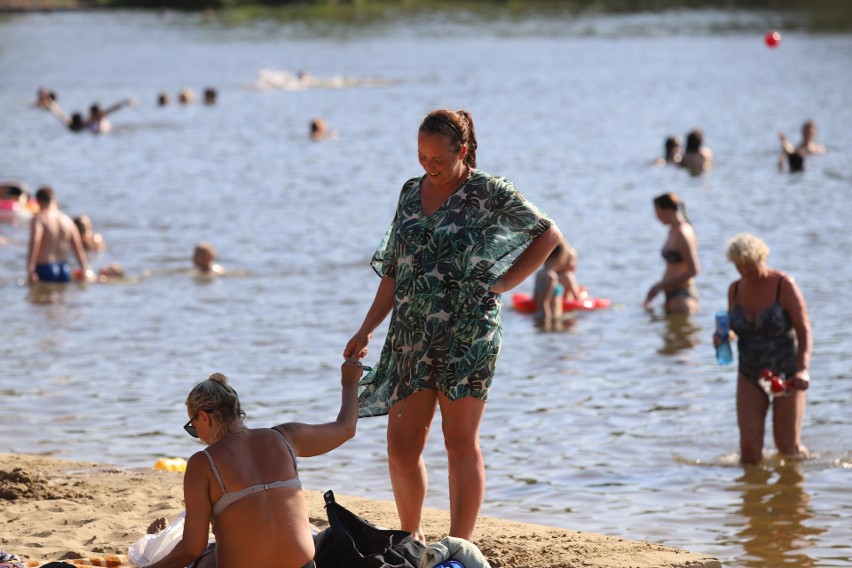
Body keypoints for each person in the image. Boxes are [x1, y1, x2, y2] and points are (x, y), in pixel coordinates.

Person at [344, 108, 562, 541]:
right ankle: (411, 539)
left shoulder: (489, 191)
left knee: (459, 441)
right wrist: (367, 326)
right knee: (402, 446)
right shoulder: (410, 192)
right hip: (411, 332)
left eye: (437, 158)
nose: (428, 165)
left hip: (469, 332)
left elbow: (548, 234)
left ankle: (459, 546)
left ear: (462, 151)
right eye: (421, 156)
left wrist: (503, 283)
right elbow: (394, 270)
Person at [140, 361, 363, 568]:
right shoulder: (285, 437)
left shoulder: (203, 463)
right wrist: (350, 382)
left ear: (204, 417)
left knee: (200, 557)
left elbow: (191, 548)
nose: (197, 436)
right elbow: (346, 428)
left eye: (193, 427)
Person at [716, 233, 812, 465]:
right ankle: (751, 497)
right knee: (749, 449)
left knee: (787, 446)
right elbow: (736, 328)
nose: (745, 271)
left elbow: (804, 330)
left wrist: (802, 370)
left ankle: (795, 493)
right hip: (750, 372)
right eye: (739, 267)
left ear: (762, 257)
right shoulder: (735, 290)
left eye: (750, 264)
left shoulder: (783, 285)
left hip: (786, 373)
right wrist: (725, 337)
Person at [644, 192, 699, 314]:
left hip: (682, 296)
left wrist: (660, 286)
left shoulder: (683, 233)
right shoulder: (672, 230)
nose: (656, 216)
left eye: (657, 212)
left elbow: (693, 270)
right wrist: (662, 286)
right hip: (670, 293)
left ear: (667, 210)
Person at [27, 186, 91, 283]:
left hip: (45, 267)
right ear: (55, 201)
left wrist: (30, 268)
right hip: (64, 268)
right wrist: (84, 268)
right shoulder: (67, 220)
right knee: (62, 297)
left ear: (38, 202)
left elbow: (35, 241)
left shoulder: (39, 219)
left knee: (40, 297)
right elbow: (77, 247)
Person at [532, 240, 571, 326]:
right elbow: (544, 302)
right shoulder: (551, 276)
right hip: (552, 319)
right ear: (560, 256)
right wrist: (547, 323)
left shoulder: (539, 274)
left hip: (540, 316)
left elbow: (535, 298)